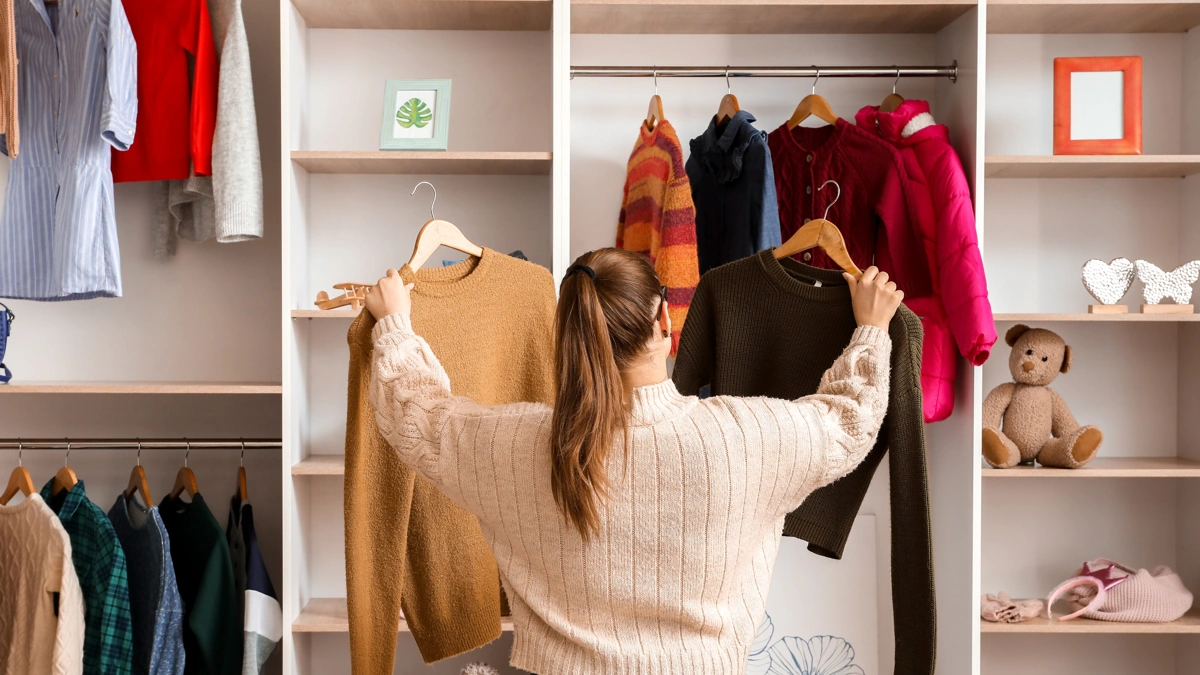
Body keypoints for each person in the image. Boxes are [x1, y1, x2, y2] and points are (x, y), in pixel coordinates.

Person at [363, 247, 903, 675]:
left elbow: (416, 416)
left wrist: (394, 325)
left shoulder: (515, 444)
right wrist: (872, 330)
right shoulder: (746, 438)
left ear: (570, 338)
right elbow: (850, 420)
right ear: (665, 321)